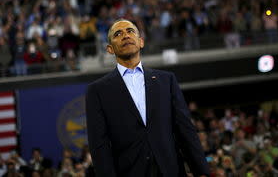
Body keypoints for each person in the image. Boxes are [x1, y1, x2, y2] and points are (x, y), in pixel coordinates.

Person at [85, 19, 209, 177]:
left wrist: (201, 171)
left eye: (130, 31)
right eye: (118, 34)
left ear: (141, 42)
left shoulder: (166, 80)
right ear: (110, 49)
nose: (125, 35)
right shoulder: (97, 90)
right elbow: (99, 145)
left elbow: (185, 130)